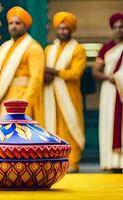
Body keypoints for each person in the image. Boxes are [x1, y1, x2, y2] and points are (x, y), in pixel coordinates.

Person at [43, 12, 86, 173]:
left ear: (71, 30)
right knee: (52, 127)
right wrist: (46, 75)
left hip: (69, 96)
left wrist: (54, 71)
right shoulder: (49, 49)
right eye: (60, 28)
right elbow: (44, 70)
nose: (62, 31)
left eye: (65, 28)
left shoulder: (78, 50)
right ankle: (53, 162)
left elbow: (75, 74)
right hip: (51, 96)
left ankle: (72, 163)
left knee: (71, 127)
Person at [0, 6, 45, 125]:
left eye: (18, 23)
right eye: (11, 23)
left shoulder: (33, 47)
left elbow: (36, 78)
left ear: (26, 26)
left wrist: (26, 103)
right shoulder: (4, 47)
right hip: (3, 99)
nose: (13, 26)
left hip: (22, 99)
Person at [92, 13, 123, 173]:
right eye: (116, 27)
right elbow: (95, 71)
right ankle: (111, 162)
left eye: (121, 27)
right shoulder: (106, 48)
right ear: (112, 29)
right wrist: (109, 77)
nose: (119, 30)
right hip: (110, 91)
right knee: (109, 123)